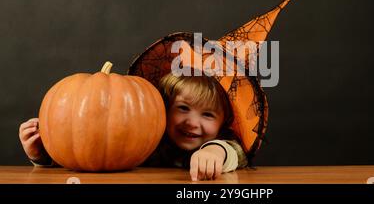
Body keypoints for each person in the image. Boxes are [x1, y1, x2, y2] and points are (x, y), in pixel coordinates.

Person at [19, 73, 247, 181]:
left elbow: (236, 151)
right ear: (163, 108)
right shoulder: (143, 138)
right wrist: (42, 156)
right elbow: (85, 155)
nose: (192, 122)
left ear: (222, 124)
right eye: (183, 108)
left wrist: (214, 152)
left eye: (207, 114)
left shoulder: (219, 144)